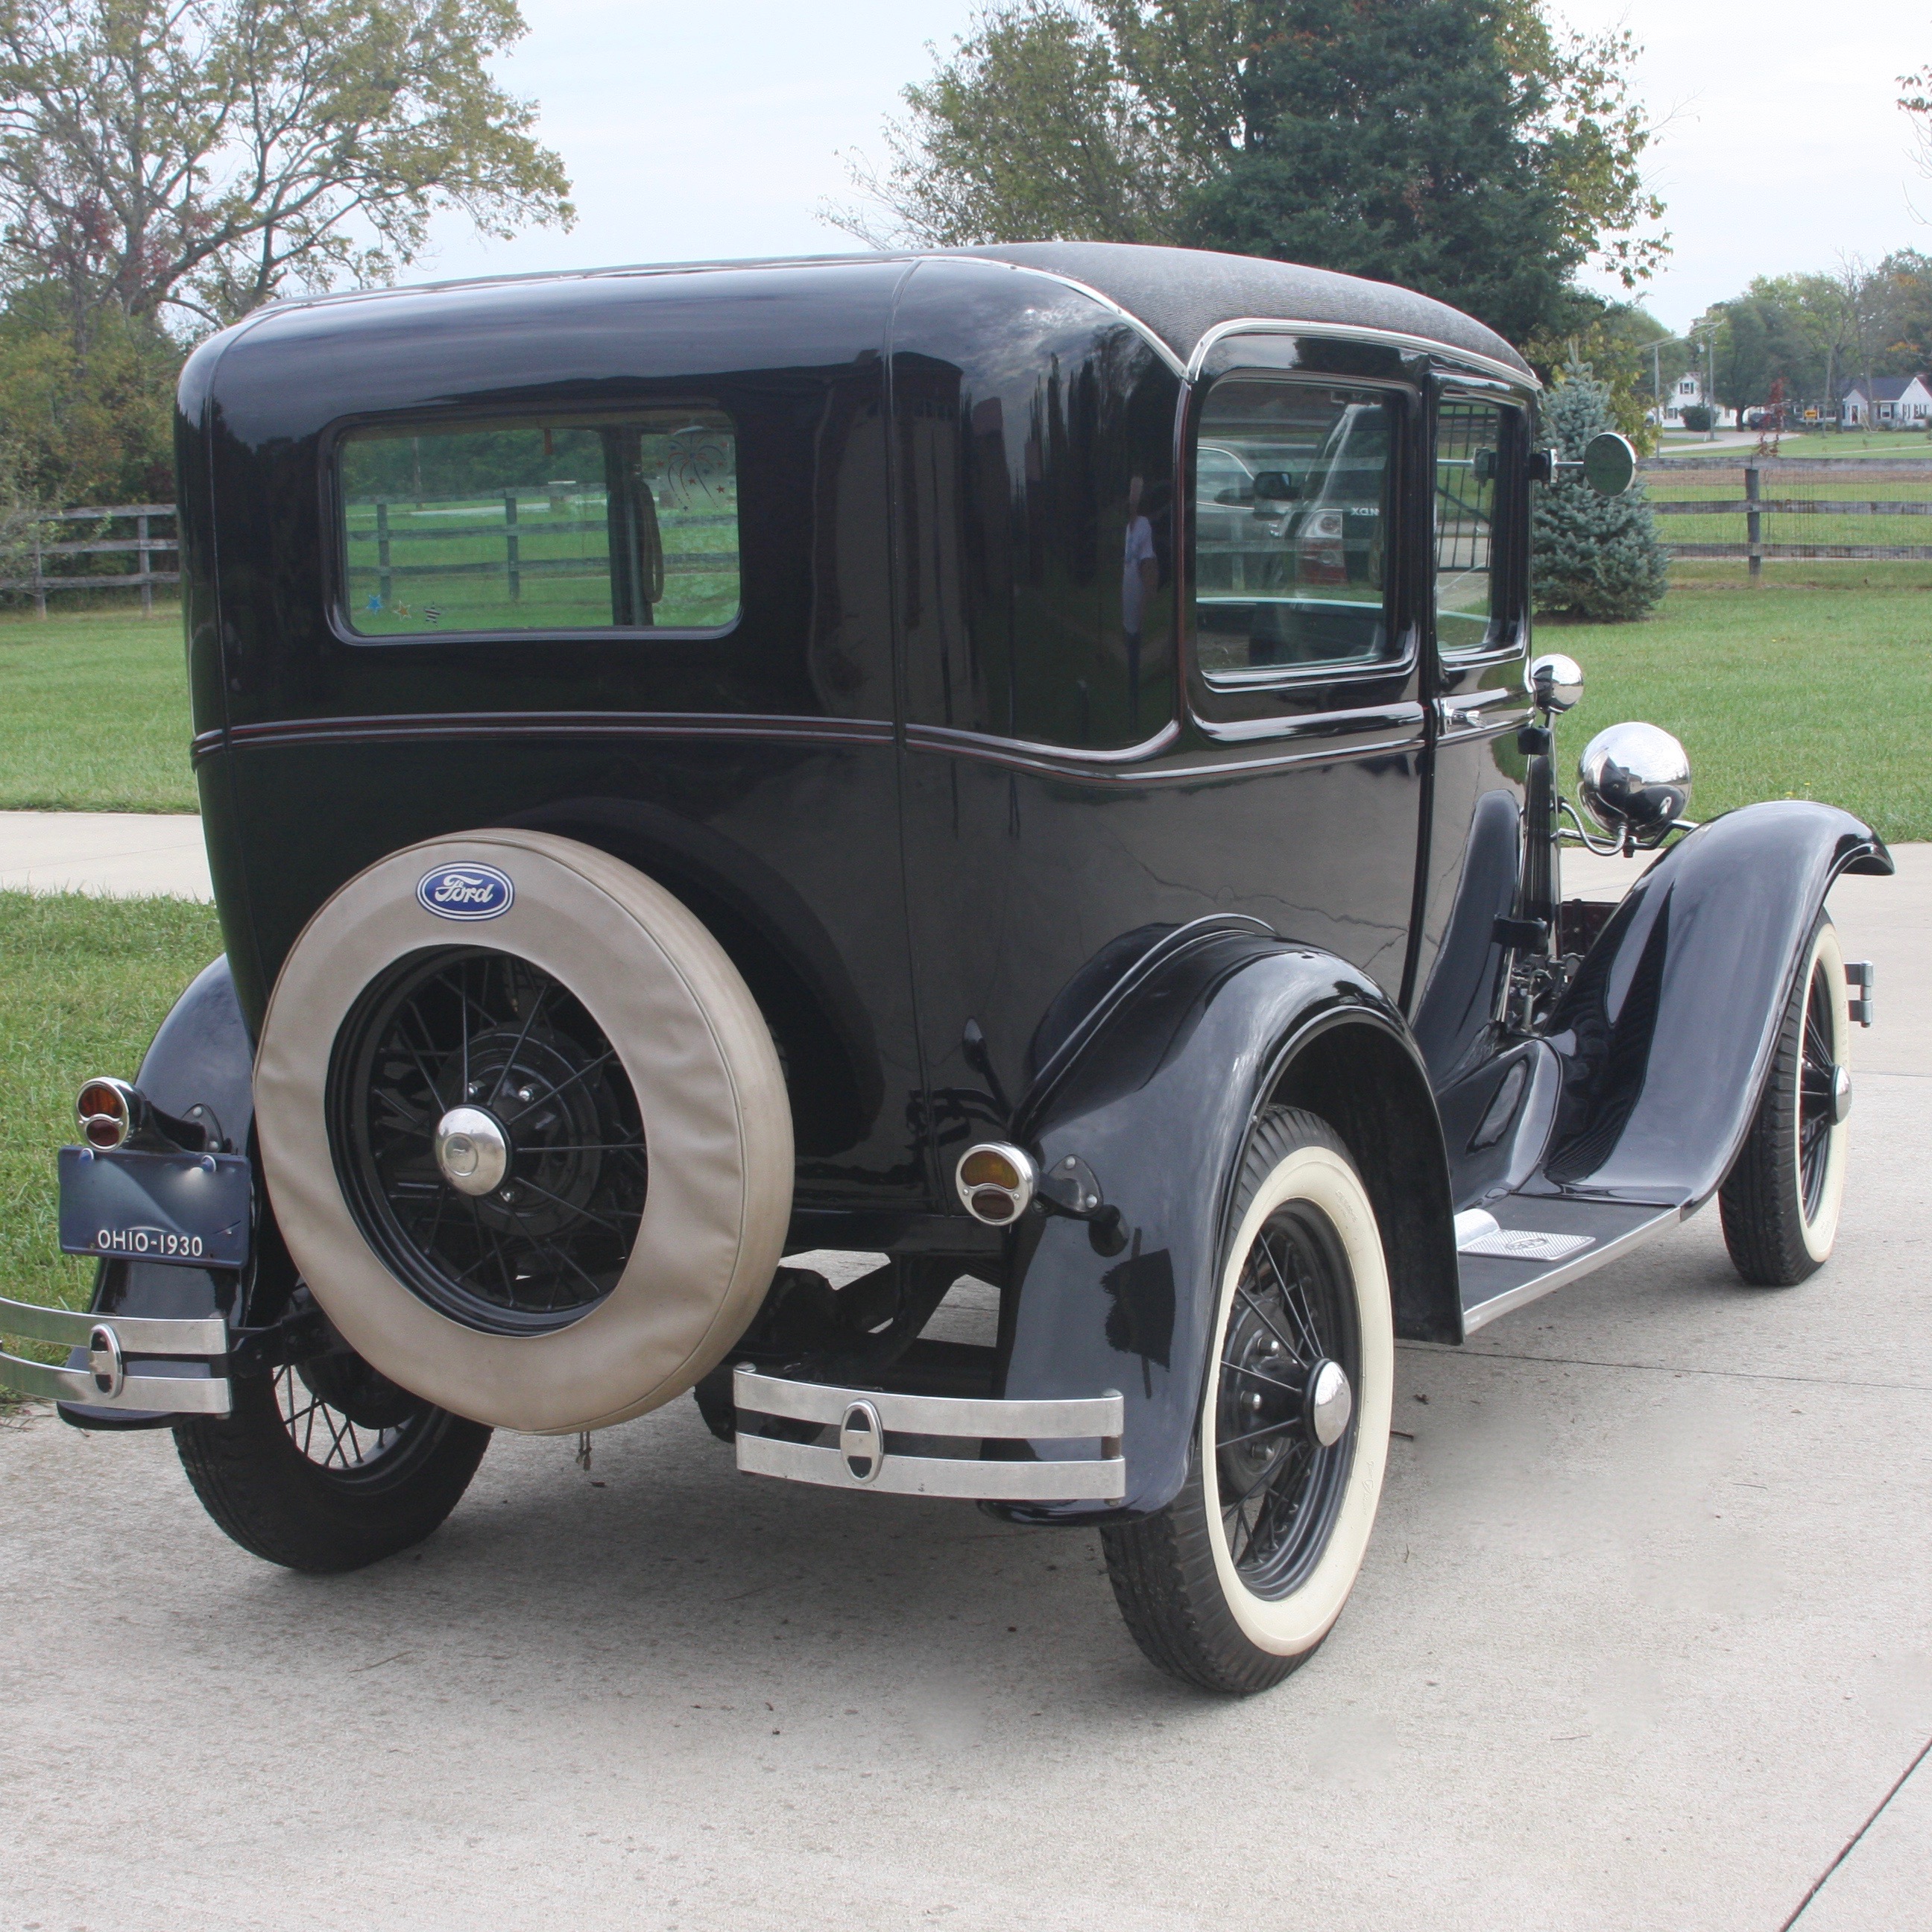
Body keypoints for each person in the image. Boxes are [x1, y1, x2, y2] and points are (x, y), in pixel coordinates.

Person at [1122, 475, 1158, 728]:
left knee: (1136, 657)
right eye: (1132, 490)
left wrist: (1147, 605)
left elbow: (1149, 567)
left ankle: (1136, 714)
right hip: (1124, 605)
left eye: (1138, 491)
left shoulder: (1144, 525)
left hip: (1138, 607)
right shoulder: (1125, 527)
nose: (1133, 496)